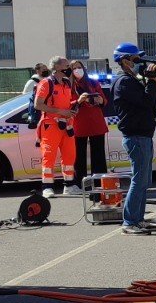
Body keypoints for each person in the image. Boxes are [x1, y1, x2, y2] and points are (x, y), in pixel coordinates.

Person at [110, 43, 156, 235]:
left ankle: (138, 219)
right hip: (136, 136)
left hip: (144, 135)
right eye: (136, 60)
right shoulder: (124, 82)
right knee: (138, 179)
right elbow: (145, 103)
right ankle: (130, 221)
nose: (140, 63)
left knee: (144, 181)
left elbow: (154, 105)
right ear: (125, 61)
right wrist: (149, 82)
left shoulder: (134, 81)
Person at [34, 56, 78, 198]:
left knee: (69, 156)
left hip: (66, 125)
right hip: (50, 125)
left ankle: (69, 186)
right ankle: (47, 187)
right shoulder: (46, 83)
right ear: (58, 67)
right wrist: (60, 112)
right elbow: (38, 104)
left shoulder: (66, 83)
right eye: (67, 65)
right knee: (49, 156)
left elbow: (68, 101)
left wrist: (74, 107)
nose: (69, 68)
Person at [68, 60, 109, 192]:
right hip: (79, 124)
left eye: (79, 67)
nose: (77, 70)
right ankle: (80, 184)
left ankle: (99, 183)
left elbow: (104, 100)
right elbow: (67, 104)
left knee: (99, 156)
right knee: (79, 157)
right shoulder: (69, 85)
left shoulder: (92, 82)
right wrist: (79, 100)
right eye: (74, 68)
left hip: (96, 122)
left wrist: (100, 100)